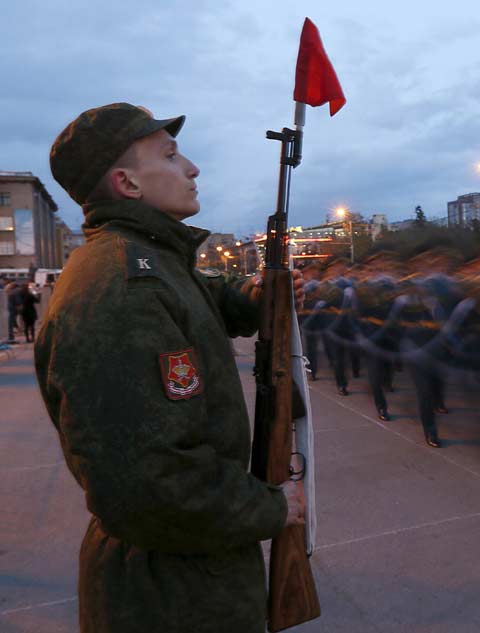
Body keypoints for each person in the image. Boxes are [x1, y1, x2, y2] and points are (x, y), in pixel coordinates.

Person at [36, 103, 306, 633]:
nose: (192, 168)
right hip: (169, 594)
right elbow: (151, 485)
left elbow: (203, 302)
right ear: (127, 183)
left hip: (191, 575)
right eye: (170, 154)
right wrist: (271, 509)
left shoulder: (150, 260)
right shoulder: (122, 288)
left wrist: (258, 295)